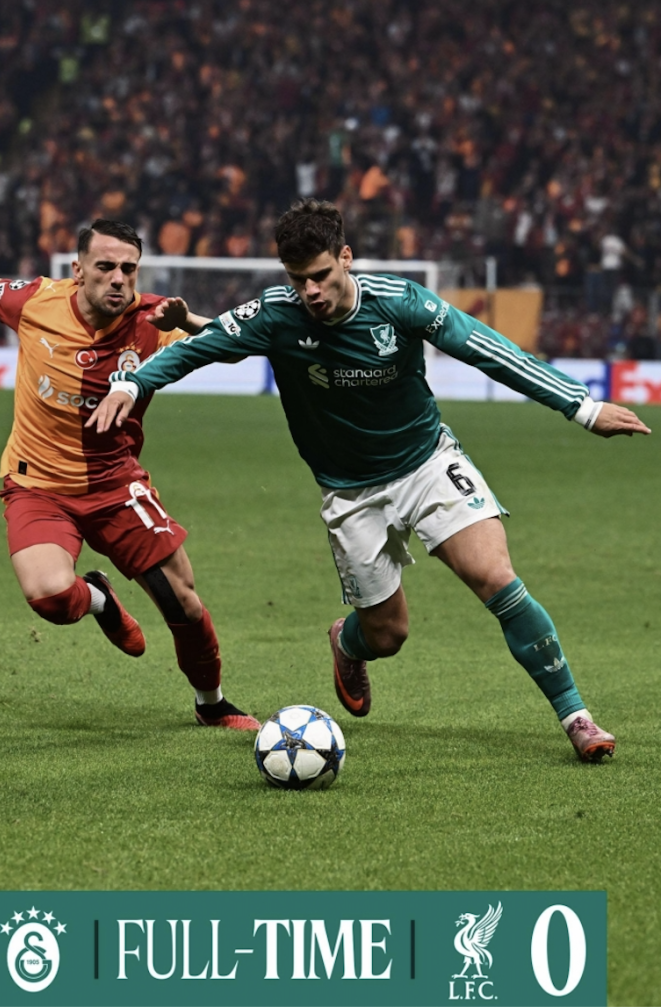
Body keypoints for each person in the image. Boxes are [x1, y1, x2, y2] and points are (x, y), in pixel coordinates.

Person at [94, 199, 652, 762]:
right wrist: (132, 385)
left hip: (427, 463)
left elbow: (489, 350)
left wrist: (582, 406)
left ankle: (576, 717)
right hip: (350, 492)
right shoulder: (276, 312)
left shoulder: (400, 301)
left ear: (346, 257)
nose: (311, 291)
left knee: (496, 577)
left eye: (320, 275)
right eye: (298, 279)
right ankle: (347, 641)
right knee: (387, 634)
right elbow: (196, 349)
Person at [0, 219, 258, 731]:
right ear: (78, 269)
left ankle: (211, 704)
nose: (119, 278)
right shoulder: (37, 301)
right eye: (106, 266)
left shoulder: (155, 318)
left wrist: (190, 322)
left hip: (116, 486)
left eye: (129, 268)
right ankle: (100, 599)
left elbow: (235, 343)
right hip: (37, 485)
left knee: (184, 603)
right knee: (50, 596)